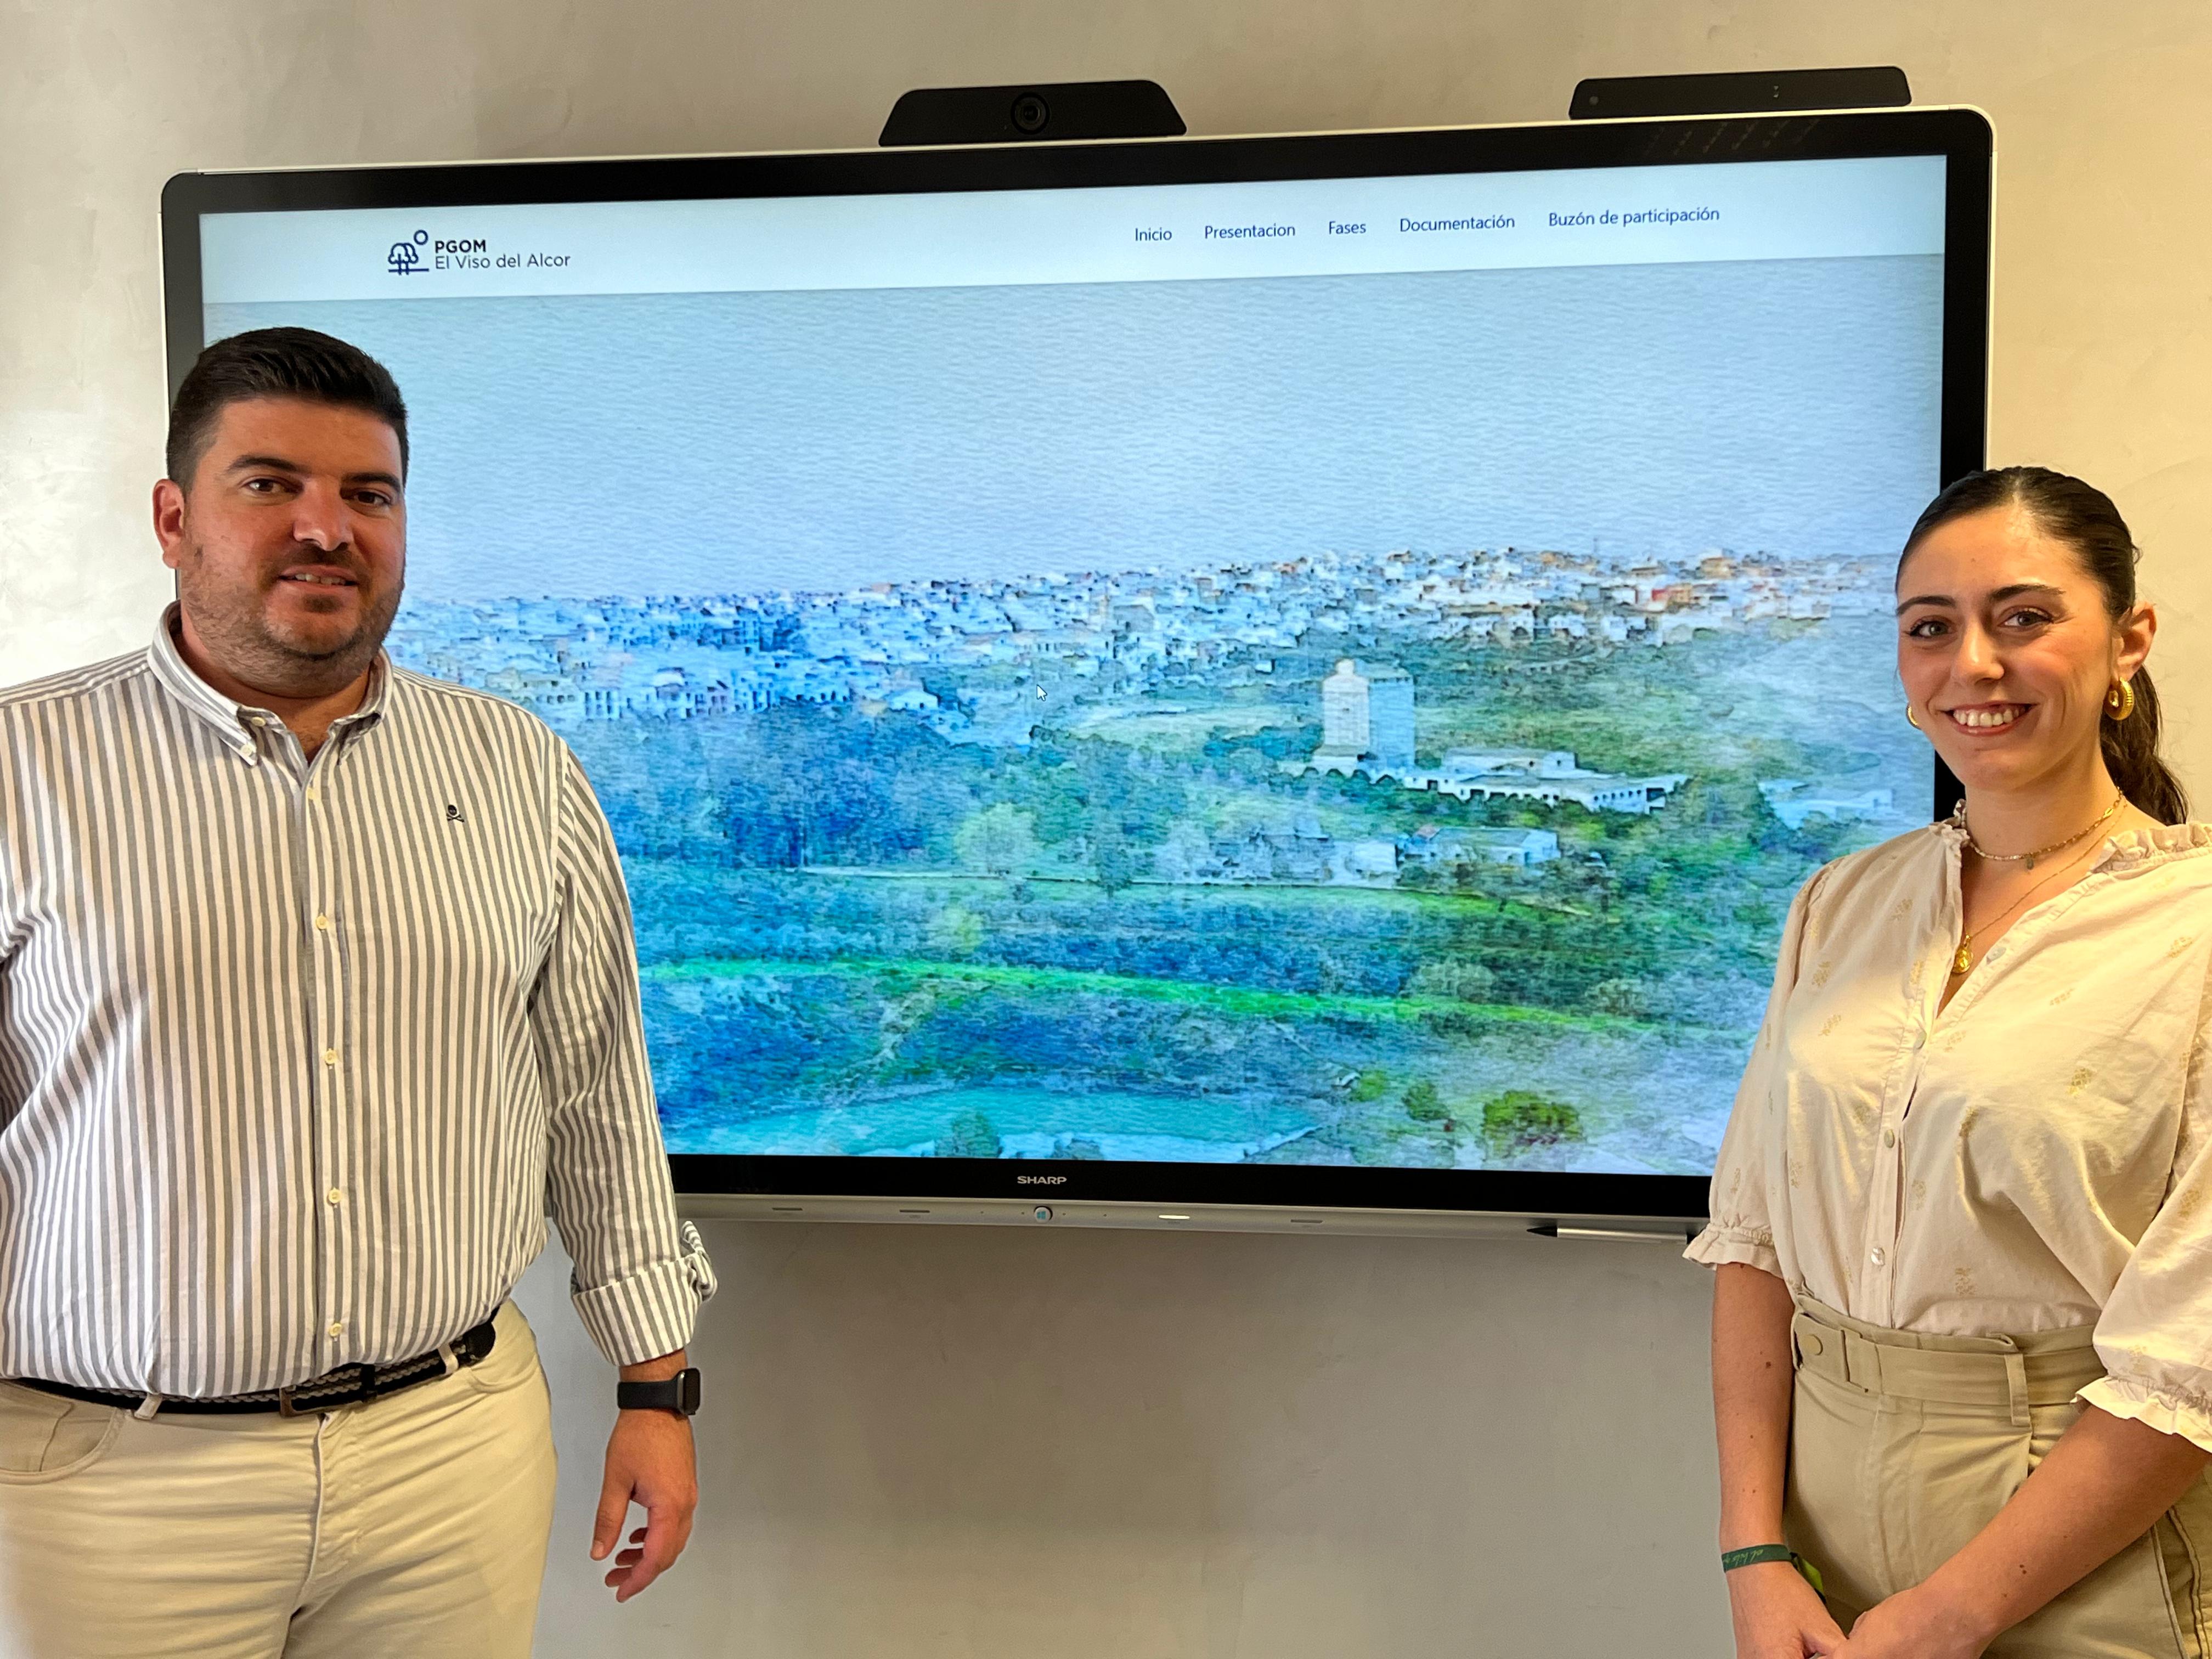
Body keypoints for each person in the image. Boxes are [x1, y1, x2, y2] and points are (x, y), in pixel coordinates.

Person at [0, 327, 716, 1658]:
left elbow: (598, 1100)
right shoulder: (20, 768)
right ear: (173, 520)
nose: (325, 529)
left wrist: (656, 1393)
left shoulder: (519, 770)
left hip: (452, 1453)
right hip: (108, 1487)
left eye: (367, 494)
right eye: (269, 484)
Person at [1689, 465, 2212, 1657]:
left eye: (2023, 618)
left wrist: (1952, 1614)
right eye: (1931, 627)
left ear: (2129, 641)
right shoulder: (1839, 903)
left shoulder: (2195, 927)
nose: (1973, 664)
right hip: (1820, 1532)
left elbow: (2194, 1351)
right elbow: (1754, 1240)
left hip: (2087, 1541)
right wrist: (1753, 1553)